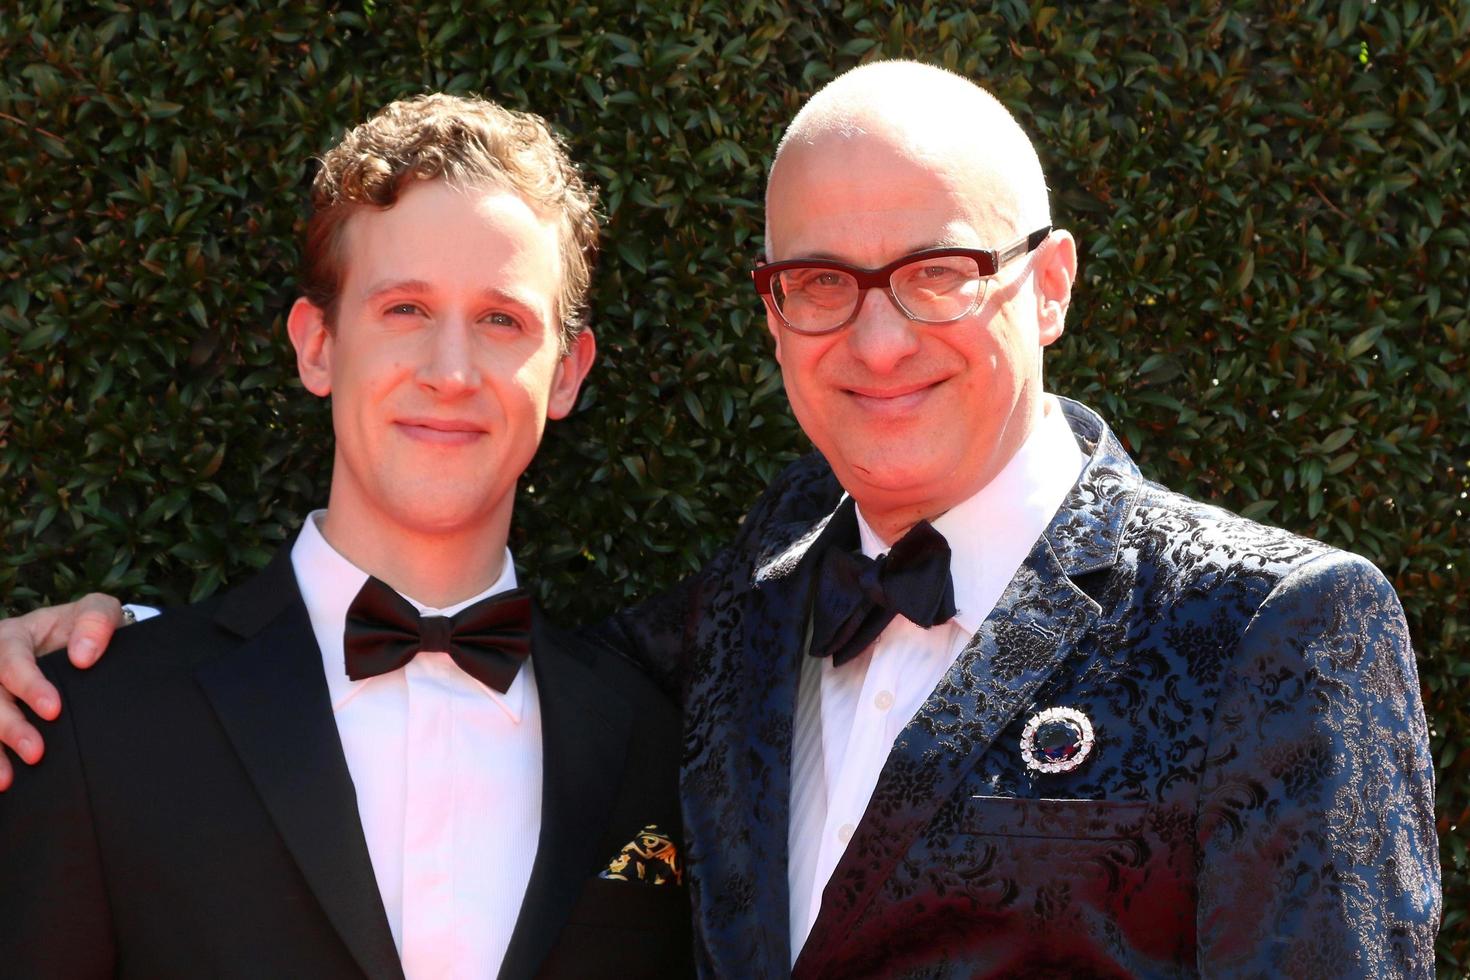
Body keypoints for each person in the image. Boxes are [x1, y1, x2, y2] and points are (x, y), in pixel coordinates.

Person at [0, 62, 1441, 977]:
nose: (876, 341)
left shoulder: (1274, 626)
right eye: (820, 281)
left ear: (1048, 284)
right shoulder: (732, 632)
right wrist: (113, 653)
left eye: (938, 270)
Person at [0, 94, 692, 979]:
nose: (450, 371)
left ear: (567, 373)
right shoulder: (93, 721)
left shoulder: (657, 748)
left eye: (501, 320)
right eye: (405, 309)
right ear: (317, 346)